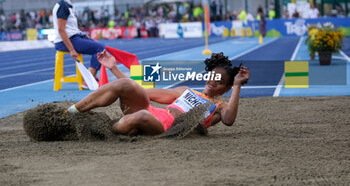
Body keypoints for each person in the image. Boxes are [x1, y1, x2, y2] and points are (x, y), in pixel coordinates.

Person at [65, 51, 250, 136]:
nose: (212, 82)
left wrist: (237, 85)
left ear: (226, 88)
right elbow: (143, 93)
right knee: (125, 84)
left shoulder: (220, 107)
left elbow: (229, 120)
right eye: (212, 77)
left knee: (141, 116)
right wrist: (114, 68)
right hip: (155, 113)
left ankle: (98, 131)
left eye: (220, 82)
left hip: (165, 126)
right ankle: (70, 113)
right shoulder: (185, 91)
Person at [52, 0, 105, 84]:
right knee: (100, 48)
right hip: (65, 41)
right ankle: (89, 79)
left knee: (99, 46)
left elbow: (71, 28)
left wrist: (84, 36)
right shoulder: (63, 6)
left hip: (73, 38)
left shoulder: (67, 5)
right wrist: (71, 50)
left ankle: (90, 77)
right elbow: (61, 30)